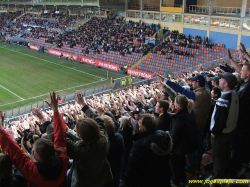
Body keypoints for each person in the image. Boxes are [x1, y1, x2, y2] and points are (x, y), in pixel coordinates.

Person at [0, 92, 69, 187]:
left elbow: (16, 153)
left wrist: (55, 111)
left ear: (39, 157)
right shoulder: (63, 159)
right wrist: (55, 111)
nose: (32, 151)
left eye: (33, 151)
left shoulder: (33, 172)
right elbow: (60, 135)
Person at [66, 91, 112, 187]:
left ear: (80, 136)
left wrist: (83, 104)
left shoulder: (79, 150)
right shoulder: (104, 141)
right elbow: (99, 120)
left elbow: (60, 138)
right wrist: (83, 105)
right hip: (102, 179)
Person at [125, 113, 172, 187]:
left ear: (144, 127)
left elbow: (132, 168)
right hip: (163, 175)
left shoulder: (139, 144)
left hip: (147, 180)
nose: (138, 123)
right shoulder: (163, 135)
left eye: (140, 122)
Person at [210, 73, 239, 183]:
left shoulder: (224, 100)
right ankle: (225, 174)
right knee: (225, 154)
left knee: (218, 159)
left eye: (221, 79)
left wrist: (214, 132)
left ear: (226, 84)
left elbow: (220, 120)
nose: (219, 80)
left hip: (221, 135)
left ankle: (217, 182)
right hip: (231, 131)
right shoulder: (234, 94)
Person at [169, 95, 197, 186]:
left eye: (175, 102)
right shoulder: (189, 112)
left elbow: (174, 136)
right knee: (181, 164)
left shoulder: (179, 119)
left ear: (179, 106)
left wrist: (171, 148)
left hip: (179, 147)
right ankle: (183, 180)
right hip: (186, 144)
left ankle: (176, 183)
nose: (173, 103)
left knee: (176, 166)